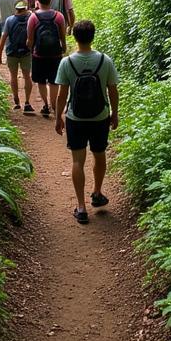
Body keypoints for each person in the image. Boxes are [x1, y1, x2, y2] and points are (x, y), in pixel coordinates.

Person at [54, 19, 119, 224]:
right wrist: (115, 113)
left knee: (77, 161)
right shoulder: (105, 60)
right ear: (93, 36)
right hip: (100, 116)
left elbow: (62, 95)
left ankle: (81, 207)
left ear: (75, 37)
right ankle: (97, 193)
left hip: (76, 117)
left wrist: (58, 117)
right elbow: (112, 90)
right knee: (99, 156)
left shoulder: (67, 62)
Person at [27, 0, 67, 118]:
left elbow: (30, 39)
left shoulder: (33, 17)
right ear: (50, 0)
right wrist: (64, 47)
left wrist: (30, 49)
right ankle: (54, 105)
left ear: (37, 0)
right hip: (55, 54)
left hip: (39, 54)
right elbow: (62, 36)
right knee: (54, 81)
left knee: (41, 81)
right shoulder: (59, 16)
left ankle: (45, 105)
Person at [2, 0, 35, 112]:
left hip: (12, 52)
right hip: (26, 52)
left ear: (16, 9)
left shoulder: (9, 20)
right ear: (25, 8)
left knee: (13, 76)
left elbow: (4, 36)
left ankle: (16, 100)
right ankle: (27, 102)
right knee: (27, 76)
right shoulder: (31, 19)